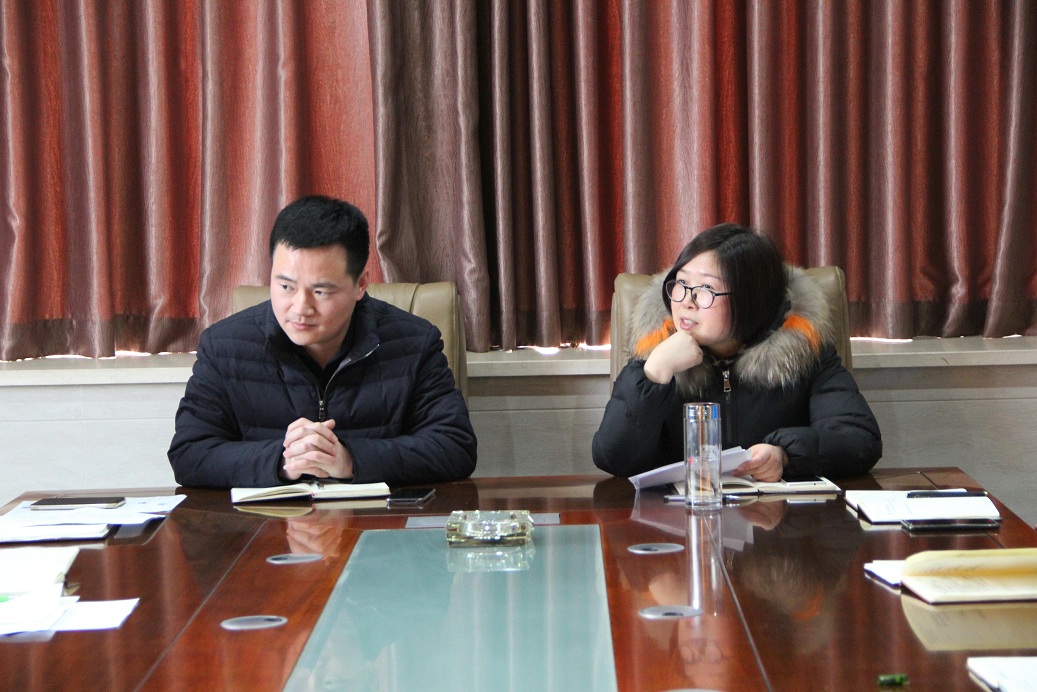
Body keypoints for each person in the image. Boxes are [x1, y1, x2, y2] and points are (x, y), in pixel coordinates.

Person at [168, 195, 477, 488]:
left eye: (320, 291)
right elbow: (190, 454)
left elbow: (455, 446)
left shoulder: (413, 342)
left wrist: (350, 460)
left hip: (375, 518)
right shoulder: (224, 346)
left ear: (360, 285)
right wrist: (283, 461)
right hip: (267, 521)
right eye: (286, 286)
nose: (300, 307)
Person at [592, 223, 880, 481]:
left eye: (706, 288)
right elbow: (613, 459)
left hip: (774, 518)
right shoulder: (657, 350)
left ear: (750, 300)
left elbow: (859, 441)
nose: (687, 302)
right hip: (682, 516)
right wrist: (653, 374)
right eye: (681, 283)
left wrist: (785, 454)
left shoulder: (805, 350)